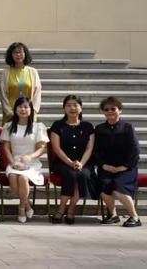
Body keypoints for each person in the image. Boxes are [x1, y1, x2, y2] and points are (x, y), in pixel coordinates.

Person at [94, 96, 142, 227]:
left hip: (126, 168)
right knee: (104, 188)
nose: (110, 111)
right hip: (106, 167)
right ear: (103, 112)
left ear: (120, 110)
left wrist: (124, 166)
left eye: (113, 109)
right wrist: (103, 165)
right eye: (106, 109)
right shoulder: (99, 129)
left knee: (118, 188)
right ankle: (113, 215)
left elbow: (135, 149)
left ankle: (135, 217)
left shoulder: (127, 127)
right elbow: (96, 150)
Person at [1, 96, 49, 223]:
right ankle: (27, 204)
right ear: (15, 109)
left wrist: (30, 156)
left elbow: (41, 148)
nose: (23, 109)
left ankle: (21, 208)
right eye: (20, 107)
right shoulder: (8, 126)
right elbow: (6, 148)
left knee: (23, 178)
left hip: (31, 163)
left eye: (26, 107)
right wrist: (13, 162)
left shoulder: (38, 126)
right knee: (13, 177)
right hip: (14, 162)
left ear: (31, 110)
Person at [49, 94, 96, 224]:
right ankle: (61, 208)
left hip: (84, 163)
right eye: (68, 105)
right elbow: (57, 148)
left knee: (81, 174)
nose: (72, 108)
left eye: (75, 105)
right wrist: (70, 163)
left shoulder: (88, 126)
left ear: (81, 108)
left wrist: (81, 163)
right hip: (62, 163)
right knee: (71, 174)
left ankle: (71, 209)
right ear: (64, 108)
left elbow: (89, 148)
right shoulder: (58, 125)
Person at [0, 42, 41, 123]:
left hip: (28, 113)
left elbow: (37, 94)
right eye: (15, 52)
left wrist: (33, 111)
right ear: (11, 55)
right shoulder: (6, 72)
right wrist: (9, 112)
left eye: (20, 52)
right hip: (11, 115)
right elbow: (3, 95)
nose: (18, 54)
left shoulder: (33, 72)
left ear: (25, 53)